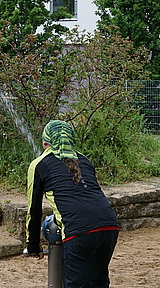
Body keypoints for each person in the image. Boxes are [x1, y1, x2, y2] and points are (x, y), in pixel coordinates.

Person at [26, 120, 119, 288]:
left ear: (45, 141)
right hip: (109, 226)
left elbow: (34, 209)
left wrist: (33, 246)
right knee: (98, 282)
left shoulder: (39, 164)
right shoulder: (84, 160)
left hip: (78, 231)